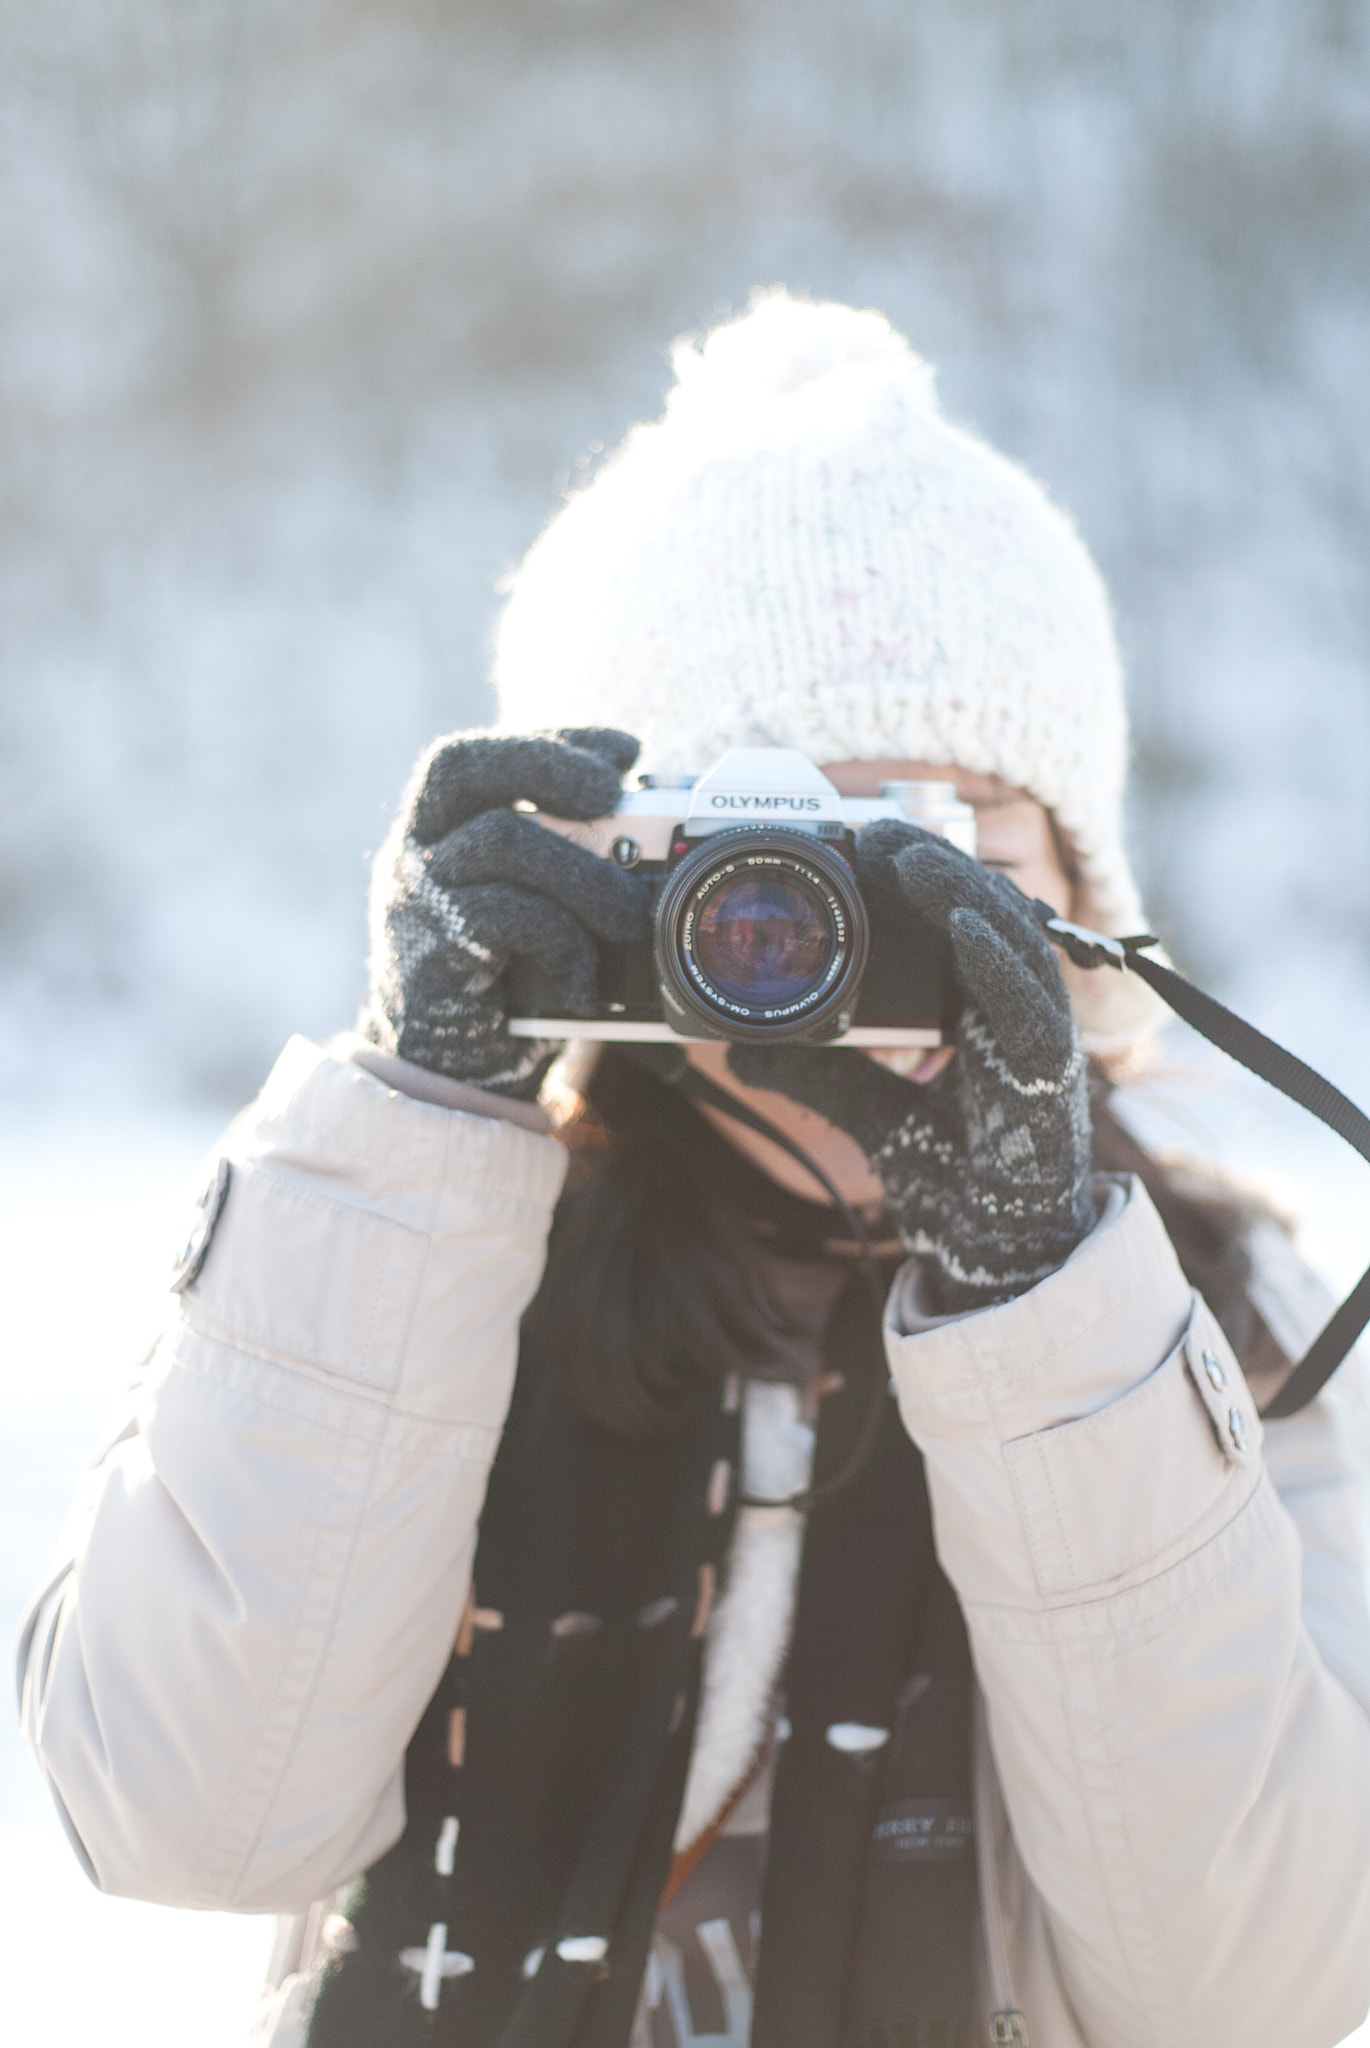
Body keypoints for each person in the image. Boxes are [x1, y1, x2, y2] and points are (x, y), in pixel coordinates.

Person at [19, 293, 1370, 2048]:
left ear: (1083, 919)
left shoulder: (1218, 1316)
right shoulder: (421, 1264)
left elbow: (1260, 1983)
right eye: (773, 861)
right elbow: (180, 1816)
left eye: (938, 861)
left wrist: (1044, 1297)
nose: (840, 953)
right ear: (613, 885)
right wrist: (419, 1120)